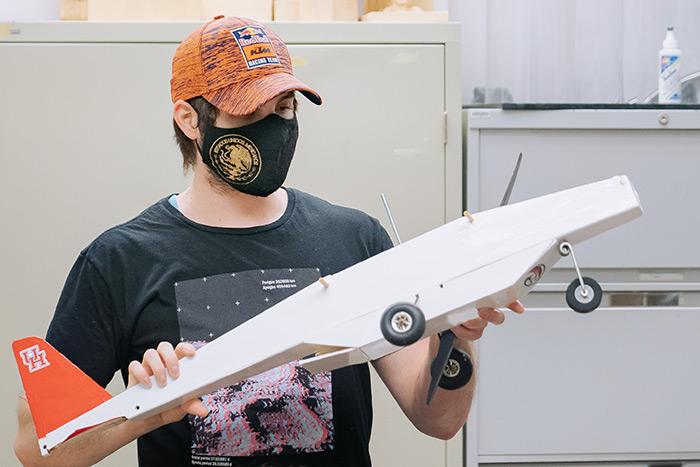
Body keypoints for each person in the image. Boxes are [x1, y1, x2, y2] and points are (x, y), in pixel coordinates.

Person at [14, 16, 524, 467]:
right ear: (190, 119)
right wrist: (146, 413)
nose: (274, 127)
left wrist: (460, 334)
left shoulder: (355, 238)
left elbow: (436, 418)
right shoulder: (119, 262)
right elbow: (37, 449)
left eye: (284, 107)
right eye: (249, 110)